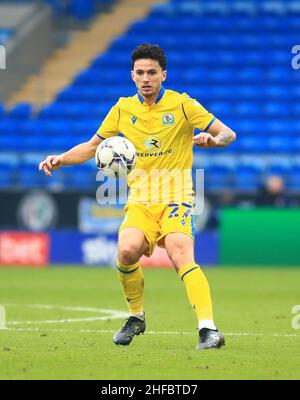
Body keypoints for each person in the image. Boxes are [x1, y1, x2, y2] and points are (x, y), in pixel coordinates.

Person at [39, 44, 236, 350]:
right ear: (132, 76)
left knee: (180, 253)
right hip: (141, 201)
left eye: (152, 72)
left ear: (163, 75)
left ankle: (208, 329)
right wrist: (61, 158)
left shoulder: (183, 105)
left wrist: (214, 140)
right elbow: (92, 147)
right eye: (140, 72)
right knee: (126, 252)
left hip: (177, 196)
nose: (146, 78)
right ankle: (136, 317)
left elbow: (228, 134)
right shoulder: (122, 109)